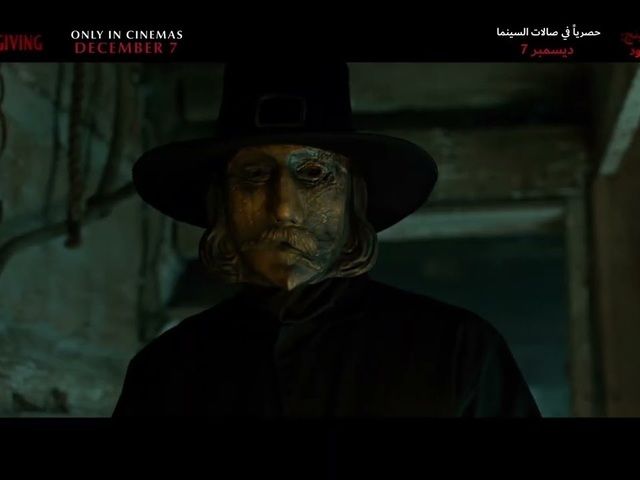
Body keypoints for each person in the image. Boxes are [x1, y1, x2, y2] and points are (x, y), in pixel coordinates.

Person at [113, 62, 541, 417]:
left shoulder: (455, 350)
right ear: (221, 203)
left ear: (353, 200)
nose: (284, 208)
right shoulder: (165, 370)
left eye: (314, 174)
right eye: (255, 175)